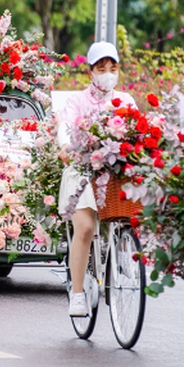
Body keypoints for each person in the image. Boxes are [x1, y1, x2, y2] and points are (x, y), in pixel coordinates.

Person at [58, 42, 136, 317]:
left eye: (112, 68)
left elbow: (137, 131)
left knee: (128, 215)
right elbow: (65, 130)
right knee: (85, 227)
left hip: (113, 171)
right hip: (83, 169)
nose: (107, 73)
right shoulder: (76, 101)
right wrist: (66, 147)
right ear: (90, 71)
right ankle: (77, 293)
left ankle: (123, 250)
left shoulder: (126, 100)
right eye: (101, 68)